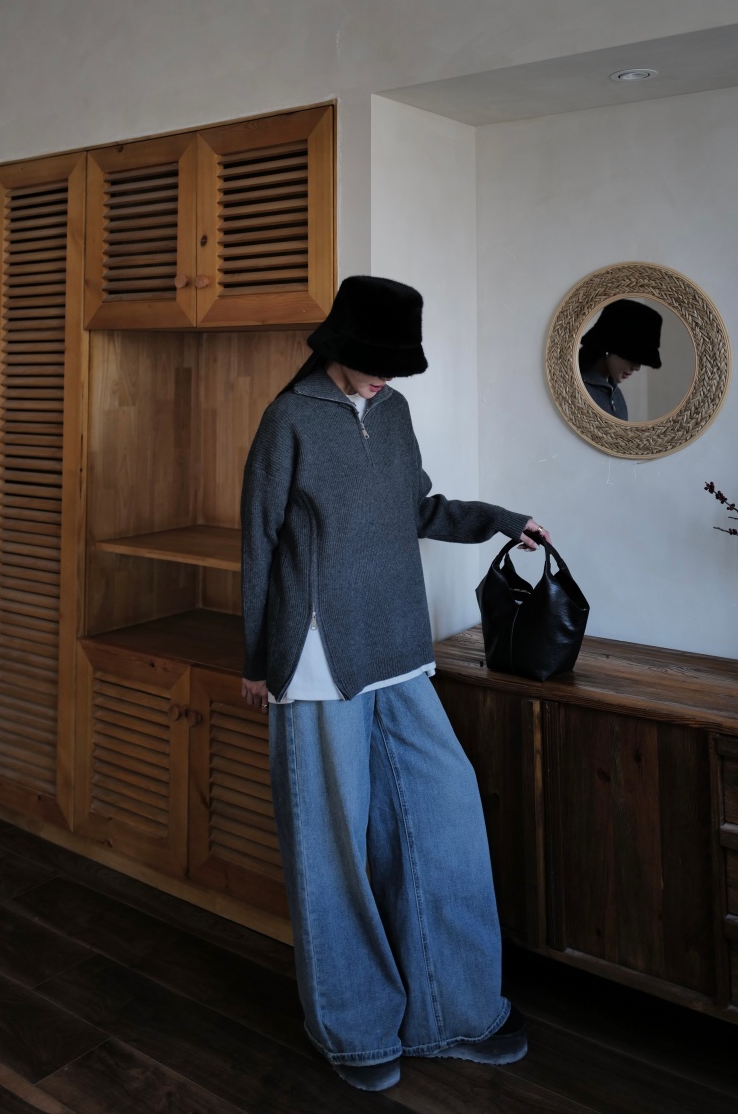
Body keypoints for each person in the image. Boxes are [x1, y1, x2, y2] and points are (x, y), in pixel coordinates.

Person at [240, 275, 550, 1093]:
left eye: (394, 365)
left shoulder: (395, 412)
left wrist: (499, 521)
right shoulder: (288, 420)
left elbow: (418, 508)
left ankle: (456, 1013)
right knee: (333, 848)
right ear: (338, 345)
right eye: (373, 361)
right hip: (314, 663)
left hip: (399, 648)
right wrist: (256, 663)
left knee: (444, 818)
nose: (383, 377)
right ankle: (355, 1030)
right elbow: (259, 545)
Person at [578, 297, 662, 420]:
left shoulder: (617, 396)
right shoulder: (578, 389)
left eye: (641, 361)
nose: (636, 368)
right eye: (632, 357)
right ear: (608, 348)